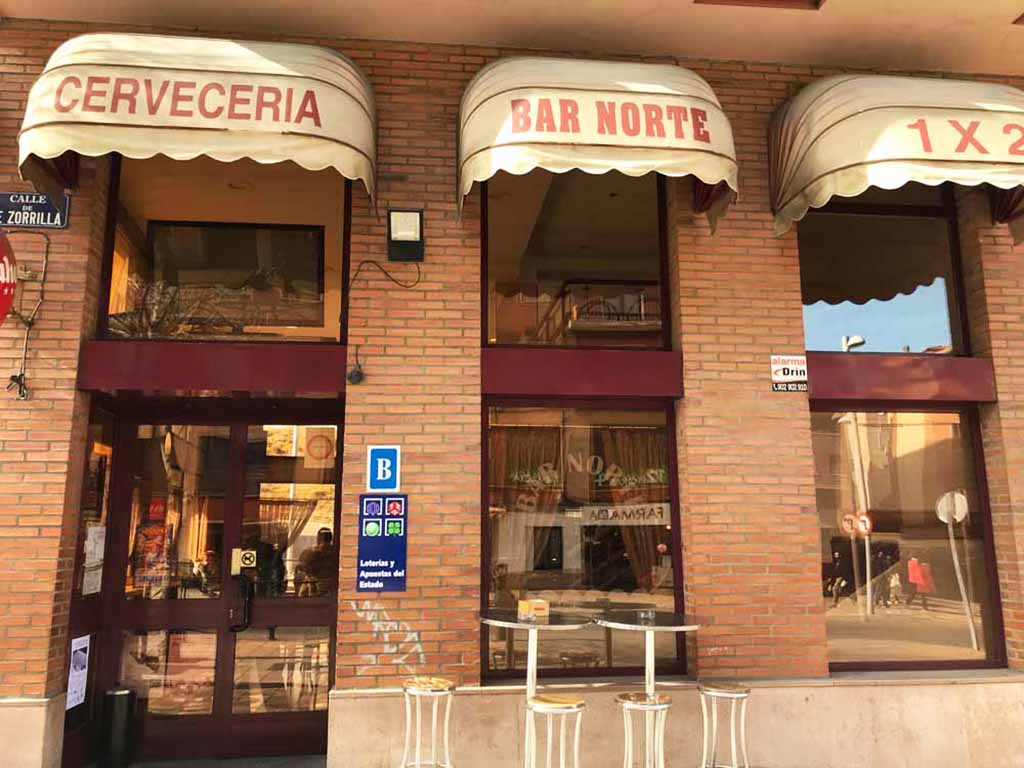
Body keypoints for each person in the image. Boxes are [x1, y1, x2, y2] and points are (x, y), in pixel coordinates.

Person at [296, 528, 335, 596]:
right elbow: (301, 567)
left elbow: (303, 566)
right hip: (316, 583)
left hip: (328, 585)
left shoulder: (334, 552)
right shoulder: (310, 551)